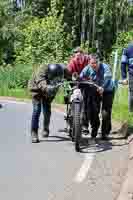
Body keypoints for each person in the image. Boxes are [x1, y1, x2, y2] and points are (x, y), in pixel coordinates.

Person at [80, 54, 115, 139]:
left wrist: (103, 87)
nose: (94, 65)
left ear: (99, 62)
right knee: (94, 111)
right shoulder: (87, 68)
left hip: (108, 90)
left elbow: (107, 78)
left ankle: (105, 132)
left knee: (105, 112)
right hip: (96, 90)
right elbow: (80, 77)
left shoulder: (105, 67)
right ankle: (95, 127)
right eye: (92, 63)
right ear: (89, 63)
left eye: (96, 63)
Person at [28, 63, 65, 143]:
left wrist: (78, 79)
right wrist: (48, 88)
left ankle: (46, 128)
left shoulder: (60, 70)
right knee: (37, 110)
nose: (56, 80)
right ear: (49, 74)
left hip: (49, 92)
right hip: (36, 89)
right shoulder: (41, 71)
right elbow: (41, 83)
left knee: (47, 111)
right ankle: (34, 132)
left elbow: (70, 74)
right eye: (54, 78)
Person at [121, 41, 133, 112]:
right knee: (132, 93)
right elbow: (123, 64)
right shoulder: (127, 49)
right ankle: (131, 111)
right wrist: (124, 77)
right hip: (132, 74)